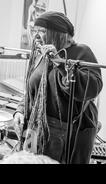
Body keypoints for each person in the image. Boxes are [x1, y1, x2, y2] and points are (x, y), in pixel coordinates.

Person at [14, 11, 102, 164]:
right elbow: (32, 89)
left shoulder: (81, 52)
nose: (37, 35)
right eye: (36, 30)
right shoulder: (42, 54)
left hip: (67, 136)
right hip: (37, 128)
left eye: (42, 31)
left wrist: (60, 63)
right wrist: (20, 110)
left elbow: (91, 88)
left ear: (58, 33)